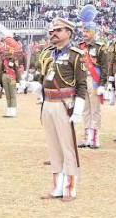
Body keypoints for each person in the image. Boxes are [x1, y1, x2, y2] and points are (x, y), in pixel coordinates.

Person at [35, 17, 87, 199]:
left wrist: (79, 110)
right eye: (52, 31)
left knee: (67, 147)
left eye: (58, 30)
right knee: (53, 147)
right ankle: (57, 186)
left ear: (69, 33)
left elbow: (81, 85)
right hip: (48, 103)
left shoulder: (75, 55)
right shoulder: (48, 53)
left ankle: (70, 187)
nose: (53, 34)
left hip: (65, 104)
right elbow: (42, 75)